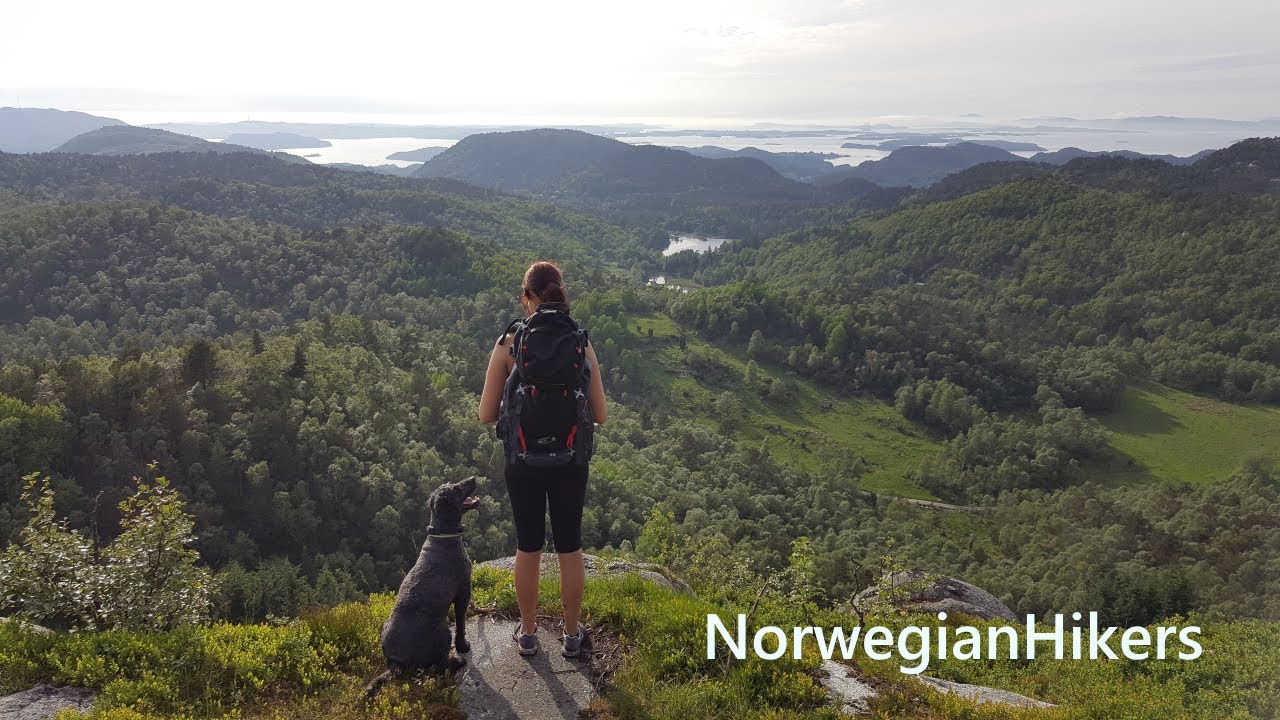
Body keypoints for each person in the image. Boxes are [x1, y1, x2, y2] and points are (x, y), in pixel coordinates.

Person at [478, 261, 608, 658]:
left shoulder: (508, 343)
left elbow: (485, 414)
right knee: (569, 546)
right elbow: (600, 415)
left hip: (523, 458)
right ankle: (571, 636)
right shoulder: (580, 342)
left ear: (526, 297)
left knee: (528, 545)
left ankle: (530, 634)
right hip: (571, 457)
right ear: (561, 294)